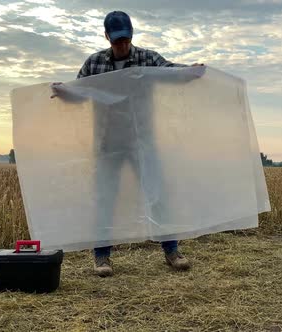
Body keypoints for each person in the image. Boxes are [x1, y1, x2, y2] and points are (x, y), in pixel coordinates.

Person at [51, 10, 204, 277]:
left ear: (131, 35)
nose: (121, 44)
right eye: (116, 40)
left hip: (142, 141)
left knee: (158, 196)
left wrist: (189, 71)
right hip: (108, 143)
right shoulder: (95, 63)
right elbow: (79, 92)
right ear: (107, 37)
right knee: (104, 200)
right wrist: (64, 92)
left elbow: (170, 72)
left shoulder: (146, 58)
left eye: (125, 39)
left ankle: (172, 251)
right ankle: (101, 257)